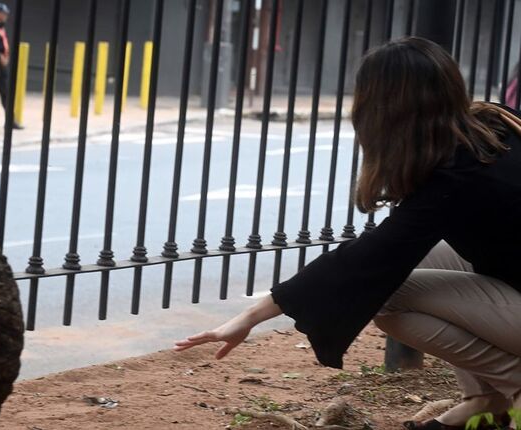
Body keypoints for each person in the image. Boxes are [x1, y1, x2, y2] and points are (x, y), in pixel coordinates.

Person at [174, 37, 521, 430]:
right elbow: (381, 254)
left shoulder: (455, 177)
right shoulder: (495, 122)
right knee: (405, 264)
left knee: (385, 295)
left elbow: (364, 262)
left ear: (385, 109)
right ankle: (483, 398)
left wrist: (251, 316)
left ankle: (513, 381)